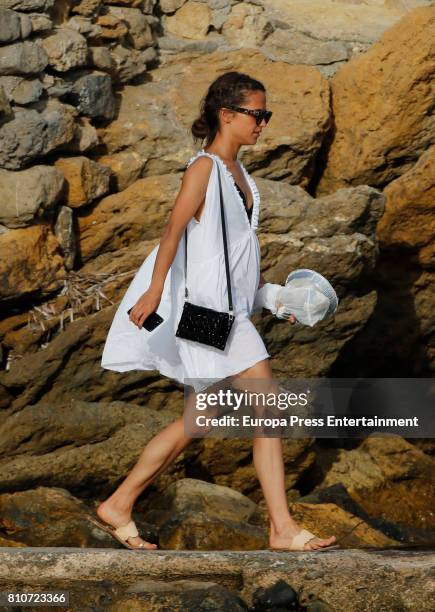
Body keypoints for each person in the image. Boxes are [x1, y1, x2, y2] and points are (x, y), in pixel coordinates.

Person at [94, 71, 337, 552]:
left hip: (231, 313)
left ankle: (119, 504)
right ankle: (282, 528)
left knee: (198, 419)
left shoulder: (243, 179)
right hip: (205, 315)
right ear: (226, 115)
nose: (263, 123)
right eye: (256, 114)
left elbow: (233, 265)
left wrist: (272, 298)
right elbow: (173, 230)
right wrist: (153, 291)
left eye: (267, 115)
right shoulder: (204, 168)